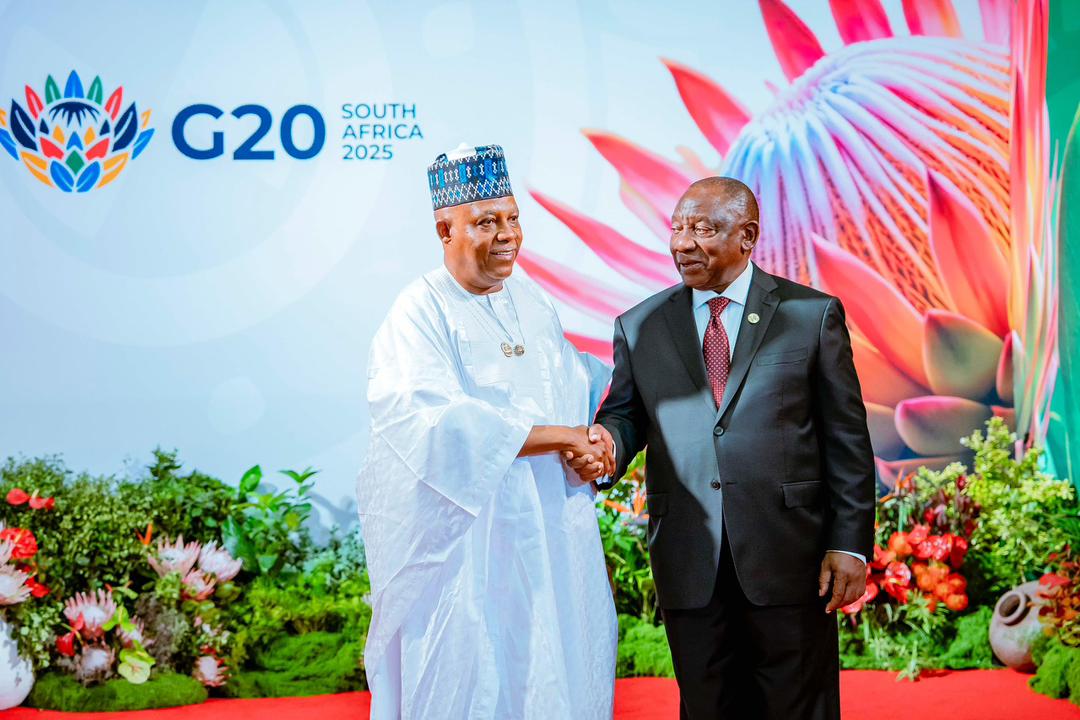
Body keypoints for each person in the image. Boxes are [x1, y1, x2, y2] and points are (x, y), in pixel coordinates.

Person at [576, 177, 875, 719]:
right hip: (690, 558)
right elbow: (626, 416)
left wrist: (850, 545)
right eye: (677, 228)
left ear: (747, 236)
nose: (683, 243)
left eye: (703, 229)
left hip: (790, 555)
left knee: (798, 707)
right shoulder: (640, 326)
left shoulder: (810, 315)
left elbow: (847, 439)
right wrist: (607, 445)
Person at [356, 144, 617, 720]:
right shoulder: (419, 310)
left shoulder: (531, 299)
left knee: (550, 662)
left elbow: (573, 381)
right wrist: (563, 437)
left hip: (549, 527)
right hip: (467, 542)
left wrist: (597, 439)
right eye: (487, 221)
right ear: (444, 229)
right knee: (472, 670)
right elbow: (434, 423)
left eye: (513, 218)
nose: (508, 235)